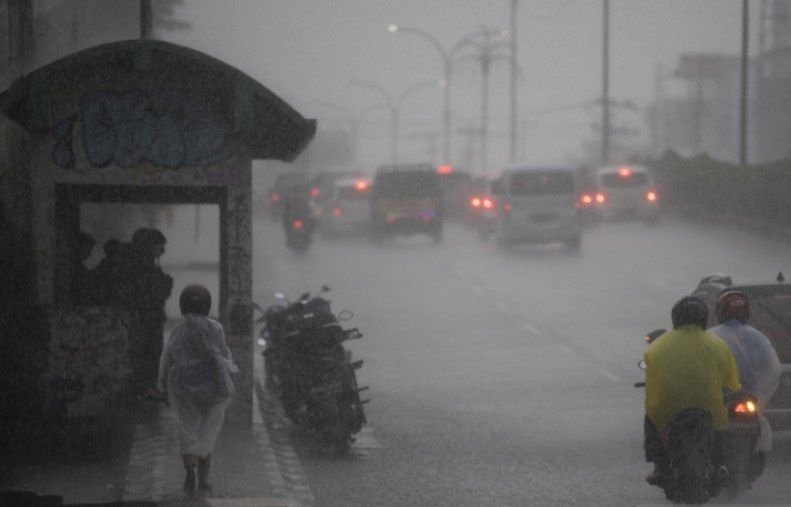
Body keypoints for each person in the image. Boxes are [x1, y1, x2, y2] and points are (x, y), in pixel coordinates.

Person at [643, 295, 741, 483]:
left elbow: (652, 384)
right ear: (704, 318)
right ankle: (721, 463)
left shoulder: (658, 346)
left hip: (670, 409)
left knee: (650, 419)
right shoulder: (717, 344)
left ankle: (659, 466)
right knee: (723, 431)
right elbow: (731, 382)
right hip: (710, 409)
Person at [157, 284, 238, 498]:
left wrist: (163, 387)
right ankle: (203, 480)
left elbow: (167, 360)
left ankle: (189, 474)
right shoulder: (216, 328)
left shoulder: (178, 331)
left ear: (183, 306)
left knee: (188, 431)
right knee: (207, 434)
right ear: (207, 305)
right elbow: (222, 356)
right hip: (213, 391)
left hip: (185, 390)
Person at [708, 290, 781, 451]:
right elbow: (773, 369)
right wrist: (760, 398)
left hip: (719, 400)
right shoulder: (759, 338)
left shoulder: (709, 337)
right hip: (750, 400)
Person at [129, 228, 173, 395]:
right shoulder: (142, 266)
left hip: (150, 317)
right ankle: (145, 387)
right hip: (145, 318)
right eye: (158, 245)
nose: (161, 250)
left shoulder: (148, 264)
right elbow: (148, 292)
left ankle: (147, 386)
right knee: (147, 353)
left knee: (151, 352)